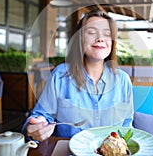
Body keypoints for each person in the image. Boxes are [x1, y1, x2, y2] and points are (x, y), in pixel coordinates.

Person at [23, 10, 134, 141]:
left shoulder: (123, 80)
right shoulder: (60, 75)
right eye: (91, 32)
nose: (100, 38)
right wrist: (36, 127)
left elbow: (127, 126)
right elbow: (41, 117)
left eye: (107, 34)